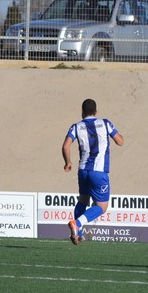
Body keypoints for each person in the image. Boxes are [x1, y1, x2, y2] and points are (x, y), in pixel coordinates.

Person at [63, 98, 124, 245]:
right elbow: (120, 142)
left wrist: (68, 162)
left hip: (83, 170)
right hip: (99, 172)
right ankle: (77, 224)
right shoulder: (106, 123)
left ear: (82, 111)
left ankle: (78, 235)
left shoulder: (76, 126)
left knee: (83, 200)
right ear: (96, 111)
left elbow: (65, 146)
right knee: (101, 207)